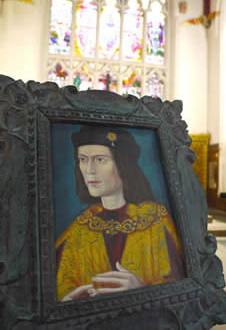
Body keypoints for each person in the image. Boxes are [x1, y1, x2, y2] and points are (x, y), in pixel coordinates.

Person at [56, 126, 185, 302]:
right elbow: (62, 285)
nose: (89, 170)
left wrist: (141, 292)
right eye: (83, 159)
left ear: (122, 164)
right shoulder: (80, 227)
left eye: (100, 159)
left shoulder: (154, 220)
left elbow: (178, 289)